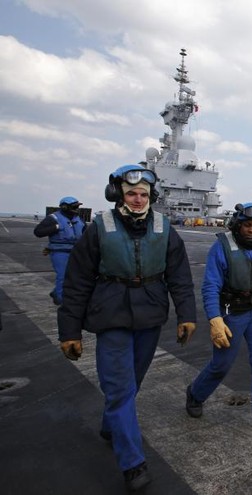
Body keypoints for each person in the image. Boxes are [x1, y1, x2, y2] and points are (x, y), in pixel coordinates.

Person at [57, 164, 196, 491]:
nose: (137, 199)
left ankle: (111, 426)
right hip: (111, 314)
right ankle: (133, 463)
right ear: (118, 193)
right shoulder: (99, 228)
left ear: (151, 196)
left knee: (131, 383)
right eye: (131, 193)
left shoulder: (164, 228)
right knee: (120, 389)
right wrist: (69, 331)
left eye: (143, 194)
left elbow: (180, 277)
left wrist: (186, 315)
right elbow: (76, 282)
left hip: (149, 314)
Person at [185, 202, 252, 433]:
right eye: (247, 225)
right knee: (221, 365)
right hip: (231, 310)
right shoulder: (221, 247)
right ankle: (195, 394)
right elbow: (211, 286)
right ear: (238, 224)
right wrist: (215, 318)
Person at [33, 196, 86, 305]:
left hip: (76, 252)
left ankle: (55, 292)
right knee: (62, 276)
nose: (77, 208)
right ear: (65, 207)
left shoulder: (78, 219)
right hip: (60, 252)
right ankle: (61, 300)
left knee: (75, 276)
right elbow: (38, 232)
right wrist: (56, 227)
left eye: (77, 206)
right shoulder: (53, 218)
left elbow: (86, 234)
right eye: (74, 206)